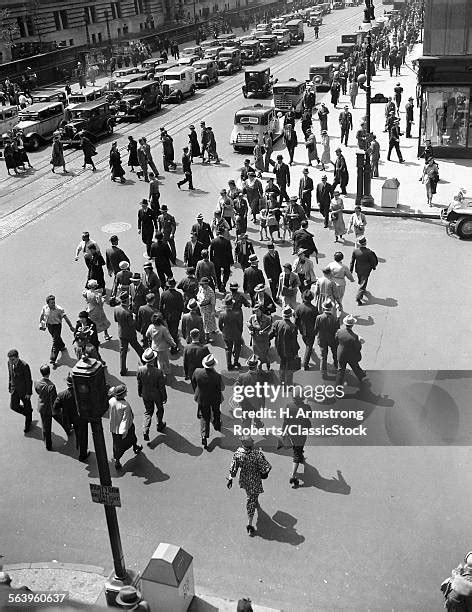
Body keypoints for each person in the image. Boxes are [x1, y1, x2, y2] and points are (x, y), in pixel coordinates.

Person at [227, 436, 271, 536]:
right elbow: (266, 468)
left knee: (250, 495)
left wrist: (230, 478)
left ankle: (253, 499)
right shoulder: (257, 454)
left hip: (244, 479)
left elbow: (233, 468)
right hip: (254, 481)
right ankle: (249, 524)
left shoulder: (238, 453)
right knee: (251, 502)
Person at [54, 373, 89, 461]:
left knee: (77, 432)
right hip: (81, 419)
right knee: (83, 436)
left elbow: (55, 407)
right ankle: (82, 454)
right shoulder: (81, 393)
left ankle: (78, 445)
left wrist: (64, 413)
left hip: (70, 419)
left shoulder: (62, 395)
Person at [192, 354, 224, 448]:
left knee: (204, 416)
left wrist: (197, 392)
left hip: (202, 397)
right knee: (216, 411)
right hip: (214, 397)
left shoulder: (197, 371)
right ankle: (217, 425)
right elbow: (221, 387)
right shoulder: (217, 376)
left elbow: (193, 382)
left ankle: (204, 436)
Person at [108, 384, 142, 470]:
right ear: (122, 394)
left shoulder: (111, 401)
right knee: (132, 438)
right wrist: (124, 432)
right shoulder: (125, 405)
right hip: (125, 429)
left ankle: (117, 461)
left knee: (117, 446)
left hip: (114, 428)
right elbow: (125, 420)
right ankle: (135, 447)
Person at [137, 348, 167, 440]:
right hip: (156, 394)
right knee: (160, 409)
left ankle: (145, 429)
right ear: (153, 359)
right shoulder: (158, 372)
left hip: (145, 393)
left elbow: (139, 383)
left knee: (148, 412)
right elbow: (161, 387)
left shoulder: (140, 370)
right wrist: (164, 397)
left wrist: (140, 392)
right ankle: (159, 424)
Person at [39, 295, 75, 369]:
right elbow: (42, 316)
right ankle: (62, 346)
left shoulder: (59, 309)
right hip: (49, 326)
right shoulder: (44, 308)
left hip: (57, 326)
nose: (53, 304)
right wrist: (42, 325)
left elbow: (66, 318)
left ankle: (53, 358)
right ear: (48, 304)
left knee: (55, 341)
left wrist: (71, 326)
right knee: (56, 338)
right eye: (51, 303)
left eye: (54, 302)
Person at [114, 294, 144, 375]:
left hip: (121, 333)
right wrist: (134, 318)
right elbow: (132, 324)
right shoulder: (128, 312)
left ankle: (122, 370)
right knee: (138, 348)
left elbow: (116, 320)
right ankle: (145, 362)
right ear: (127, 300)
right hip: (130, 334)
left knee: (123, 352)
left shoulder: (116, 308)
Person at [270, 306, 299, 385]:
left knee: (282, 364)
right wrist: (296, 352)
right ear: (290, 316)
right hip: (289, 351)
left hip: (279, 349)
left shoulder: (277, 323)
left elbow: (270, 335)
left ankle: (281, 381)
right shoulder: (293, 327)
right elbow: (294, 342)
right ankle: (289, 383)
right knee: (290, 367)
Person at [34, 364, 60, 451]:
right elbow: (54, 399)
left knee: (46, 426)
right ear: (49, 373)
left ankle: (48, 444)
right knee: (48, 426)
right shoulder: (51, 386)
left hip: (42, 407)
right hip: (49, 409)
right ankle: (48, 444)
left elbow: (37, 391)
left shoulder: (37, 382)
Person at [7, 349, 33, 433]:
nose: (11, 361)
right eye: (10, 359)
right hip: (14, 390)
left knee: (27, 406)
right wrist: (10, 386)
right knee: (13, 406)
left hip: (24, 391)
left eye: (13, 359)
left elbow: (29, 380)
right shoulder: (9, 363)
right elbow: (10, 375)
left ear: (18, 357)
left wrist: (28, 393)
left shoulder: (24, 366)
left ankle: (28, 424)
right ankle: (28, 412)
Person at [335, 315, 366, 386]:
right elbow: (358, 347)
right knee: (355, 367)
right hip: (351, 356)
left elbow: (336, 339)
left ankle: (337, 391)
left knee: (340, 372)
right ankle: (361, 376)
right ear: (352, 325)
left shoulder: (339, 331)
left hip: (341, 354)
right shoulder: (354, 337)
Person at [349, 236, 378, 305]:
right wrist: (374, 267)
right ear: (365, 243)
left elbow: (352, 261)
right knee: (363, 283)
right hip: (366, 270)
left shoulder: (355, 251)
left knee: (360, 280)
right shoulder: (369, 252)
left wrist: (351, 270)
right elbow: (373, 261)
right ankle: (358, 298)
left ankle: (362, 289)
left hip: (358, 269)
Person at [314, 300, 339, 377]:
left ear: (323, 308)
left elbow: (316, 328)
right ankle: (336, 366)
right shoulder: (335, 318)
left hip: (322, 339)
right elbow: (337, 331)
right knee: (335, 353)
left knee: (323, 356)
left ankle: (323, 373)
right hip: (332, 339)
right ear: (331, 308)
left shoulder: (319, 317)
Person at [146, 312, 176, 377]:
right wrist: (173, 344)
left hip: (154, 346)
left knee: (158, 360)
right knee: (163, 361)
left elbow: (147, 334)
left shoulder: (151, 326)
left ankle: (161, 372)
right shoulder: (163, 329)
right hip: (162, 348)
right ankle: (163, 373)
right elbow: (168, 338)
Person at [294, 290, 318, 370]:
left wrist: (295, 329)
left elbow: (296, 320)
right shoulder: (314, 309)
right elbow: (317, 321)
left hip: (302, 330)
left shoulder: (299, 307)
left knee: (306, 342)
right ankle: (305, 364)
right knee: (309, 347)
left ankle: (309, 351)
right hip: (311, 331)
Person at [219, 295, 243, 370]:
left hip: (226, 334)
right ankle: (236, 362)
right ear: (232, 304)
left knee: (228, 349)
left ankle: (229, 364)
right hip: (236, 334)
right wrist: (239, 332)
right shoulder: (238, 313)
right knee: (237, 348)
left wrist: (224, 331)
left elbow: (220, 325)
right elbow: (240, 325)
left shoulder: (222, 314)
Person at [160, 278, 184, 352]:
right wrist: (179, 314)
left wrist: (162, 315)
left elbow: (160, 306)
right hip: (176, 316)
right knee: (174, 331)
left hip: (166, 316)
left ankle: (169, 343)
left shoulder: (164, 294)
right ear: (174, 285)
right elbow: (181, 307)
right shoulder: (179, 295)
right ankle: (174, 348)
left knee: (168, 330)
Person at [247, 305, 272, 370]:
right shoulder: (252, 318)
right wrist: (250, 331)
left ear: (261, 310)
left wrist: (264, 332)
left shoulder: (267, 319)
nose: (256, 312)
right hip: (255, 341)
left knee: (265, 356)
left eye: (257, 311)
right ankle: (259, 370)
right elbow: (248, 325)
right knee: (257, 357)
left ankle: (268, 367)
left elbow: (269, 328)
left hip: (264, 341)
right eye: (255, 311)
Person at [210, 228, 233, 293]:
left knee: (217, 274)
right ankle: (224, 284)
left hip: (216, 260)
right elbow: (229, 252)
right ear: (223, 233)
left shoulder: (213, 241)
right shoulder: (227, 241)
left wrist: (211, 260)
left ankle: (219, 286)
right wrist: (231, 261)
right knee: (227, 272)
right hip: (225, 260)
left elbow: (211, 252)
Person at [197, 277, 217, 343]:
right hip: (201, 308)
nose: (201, 285)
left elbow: (213, 302)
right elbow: (198, 295)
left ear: (207, 284)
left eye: (203, 284)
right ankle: (212, 330)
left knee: (207, 323)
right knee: (207, 321)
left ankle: (207, 338)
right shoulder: (201, 288)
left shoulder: (210, 292)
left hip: (207, 308)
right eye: (201, 284)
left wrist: (213, 311)